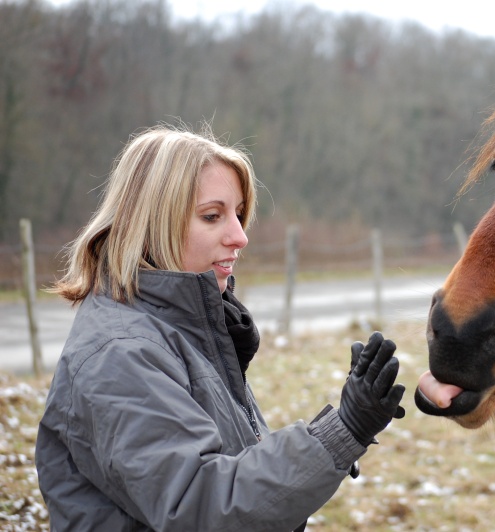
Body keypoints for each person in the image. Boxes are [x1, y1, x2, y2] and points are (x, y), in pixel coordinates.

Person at [34, 124, 406, 531]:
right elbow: (202, 506)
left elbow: (233, 470)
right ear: (152, 222)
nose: (240, 236)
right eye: (213, 216)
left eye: (239, 214)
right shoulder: (119, 355)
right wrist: (341, 431)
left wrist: (341, 432)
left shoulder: (183, 330)